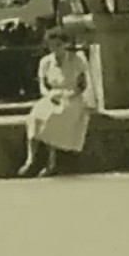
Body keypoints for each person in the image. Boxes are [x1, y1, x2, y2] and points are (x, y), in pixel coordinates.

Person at [20, 26, 95, 178]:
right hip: (52, 95)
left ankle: (51, 163)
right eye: (52, 46)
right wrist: (49, 95)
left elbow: (83, 86)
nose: (55, 49)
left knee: (55, 117)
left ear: (65, 44)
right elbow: (42, 85)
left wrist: (68, 95)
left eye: (58, 45)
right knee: (35, 116)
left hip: (72, 96)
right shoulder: (45, 62)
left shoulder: (77, 60)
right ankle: (31, 159)